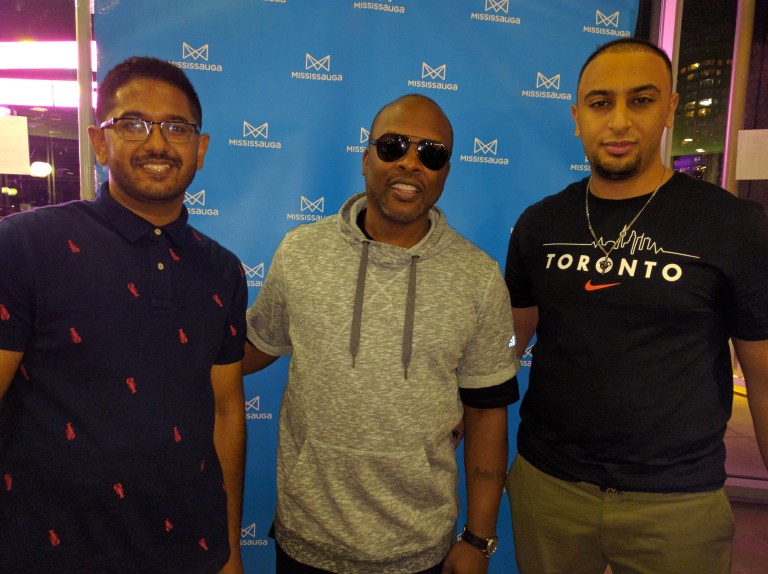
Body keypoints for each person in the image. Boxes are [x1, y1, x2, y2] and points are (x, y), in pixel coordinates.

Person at [504, 37, 768, 574]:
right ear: (578, 118)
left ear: (670, 108)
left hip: (677, 503)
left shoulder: (734, 226)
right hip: (551, 488)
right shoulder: (539, 224)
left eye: (641, 100)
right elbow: (507, 344)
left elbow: (763, 376)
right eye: (601, 103)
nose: (619, 121)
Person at [243, 94, 519, 573]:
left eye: (431, 153)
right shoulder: (301, 251)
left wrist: (479, 538)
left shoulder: (478, 277)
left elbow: (487, 413)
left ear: (446, 173)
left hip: (419, 548)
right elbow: (252, 348)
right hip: (307, 538)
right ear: (366, 157)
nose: (410, 162)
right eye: (393, 146)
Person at [0, 56, 247, 573]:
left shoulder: (222, 270)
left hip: (189, 556)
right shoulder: (25, 245)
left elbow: (225, 412)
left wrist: (229, 550)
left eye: (176, 128)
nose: (157, 143)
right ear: (99, 142)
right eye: (133, 124)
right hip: (49, 554)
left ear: (200, 149)